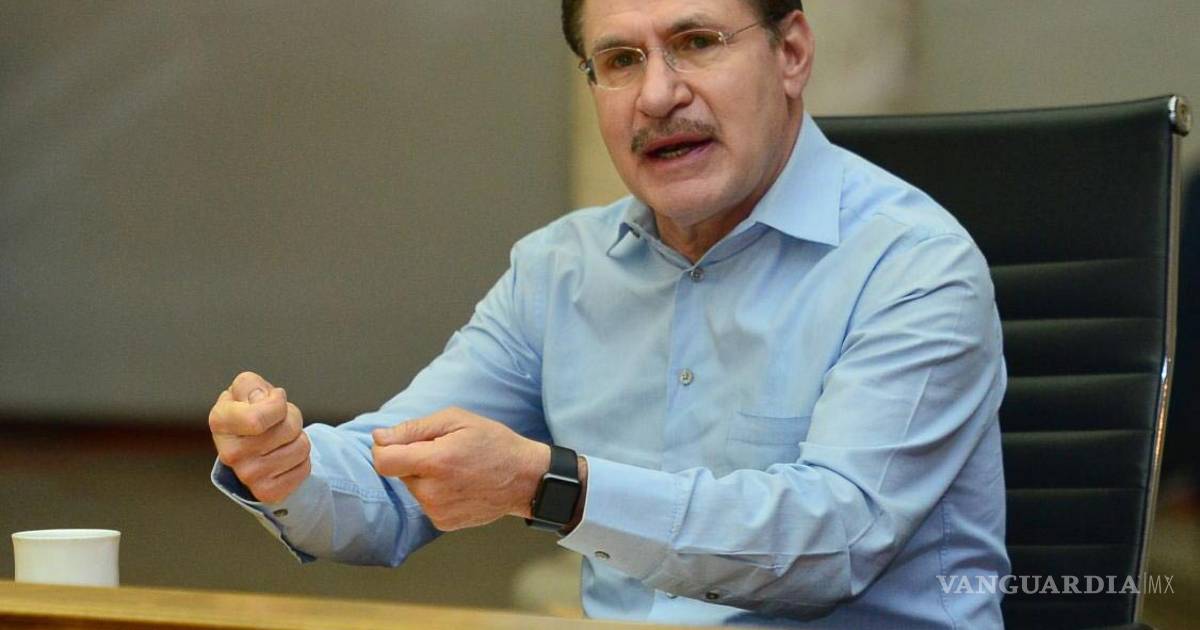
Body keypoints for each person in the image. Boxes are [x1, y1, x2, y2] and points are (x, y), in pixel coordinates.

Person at [208, 1, 1009, 627]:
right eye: (621, 60)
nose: (658, 96)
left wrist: (551, 487)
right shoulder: (559, 270)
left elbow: (830, 543)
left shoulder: (912, 263)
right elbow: (393, 479)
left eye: (697, 42)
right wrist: (290, 468)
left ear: (792, 52)